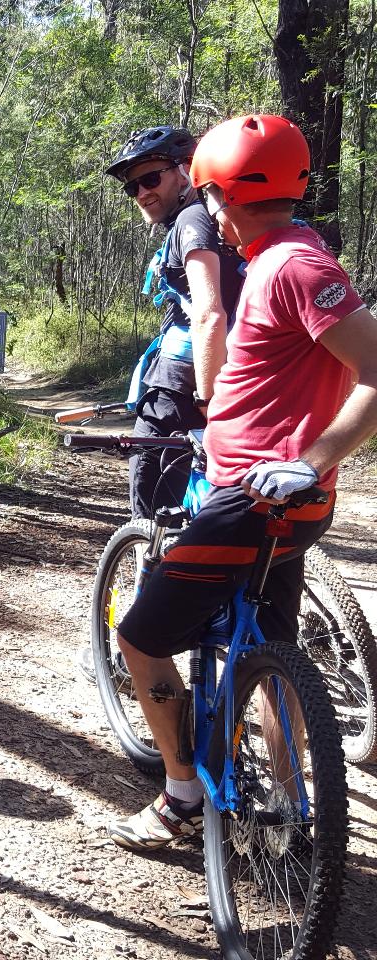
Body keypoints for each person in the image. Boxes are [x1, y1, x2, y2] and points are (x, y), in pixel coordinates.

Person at [106, 114, 377, 850]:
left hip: (254, 505)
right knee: (268, 650)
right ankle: (287, 808)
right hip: (281, 505)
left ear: (225, 192)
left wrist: (311, 459)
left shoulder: (294, 267)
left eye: (209, 198)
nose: (210, 215)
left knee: (138, 635)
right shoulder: (287, 256)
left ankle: (182, 795)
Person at [105, 125, 245, 520]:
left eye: (151, 178)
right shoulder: (216, 220)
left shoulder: (191, 222)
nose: (142, 193)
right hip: (219, 376)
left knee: (149, 515)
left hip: (182, 388)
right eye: (132, 188)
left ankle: (149, 581)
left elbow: (208, 311)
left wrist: (208, 400)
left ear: (187, 169)